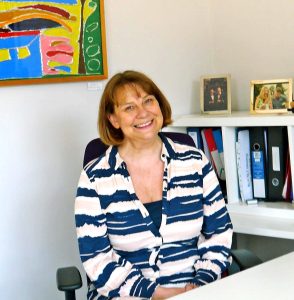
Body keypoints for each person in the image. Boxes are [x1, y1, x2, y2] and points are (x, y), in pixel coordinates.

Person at [75, 70, 233, 300]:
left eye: (148, 100)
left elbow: (219, 233)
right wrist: (157, 294)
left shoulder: (195, 162)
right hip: (125, 295)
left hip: (195, 292)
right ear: (113, 119)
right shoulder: (95, 177)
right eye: (129, 107)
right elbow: (96, 257)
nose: (143, 113)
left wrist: (201, 283)